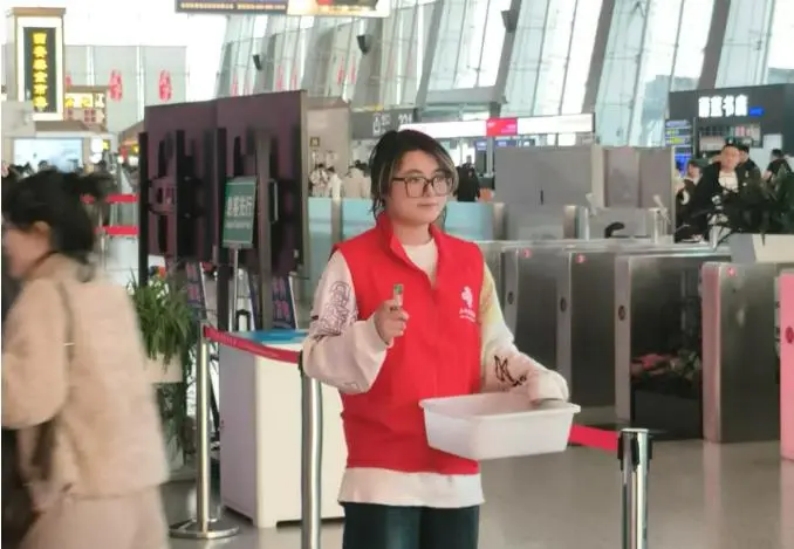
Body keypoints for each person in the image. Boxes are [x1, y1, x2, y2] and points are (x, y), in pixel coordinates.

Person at [301, 129, 569, 549]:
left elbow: (493, 351)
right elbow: (316, 355)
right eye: (413, 179)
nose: (430, 191)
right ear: (383, 186)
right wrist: (372, 334)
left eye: (439, 178)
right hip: (383, 476)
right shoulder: (351, 261)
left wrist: (534, 378)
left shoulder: (469, 262)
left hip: (456, 474)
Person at [2, 170, 169, 549]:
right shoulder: (106, 290)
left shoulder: (44, 297)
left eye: (10, 228)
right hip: (141, 490)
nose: (5, 241)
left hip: (82, 499)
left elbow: (28, 399)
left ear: (40, 233)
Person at [687, 142, 745, 238]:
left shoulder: (743, 176)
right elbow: (699, 199)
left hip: (736, 223)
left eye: (734, 155)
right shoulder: (709, 175)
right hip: (712, 221)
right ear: (720, 156)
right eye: (726, 154)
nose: (730, 158)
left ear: (739, 159)